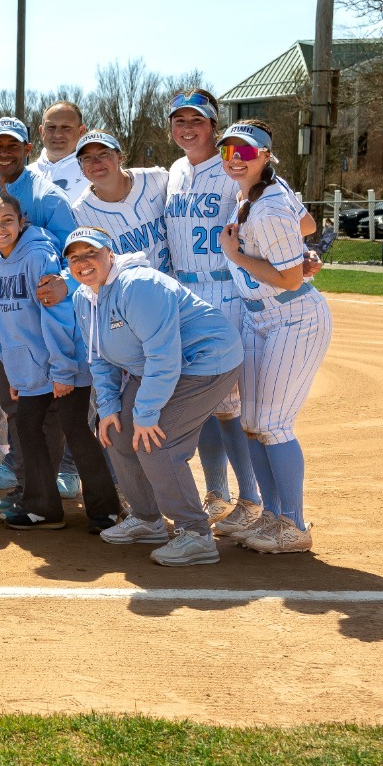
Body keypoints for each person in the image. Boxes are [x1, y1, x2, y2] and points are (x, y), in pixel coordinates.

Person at [66, 228, 244, 567]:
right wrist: (107, 408)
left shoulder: (140, 286)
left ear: (110, 254)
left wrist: (146, 415)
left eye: (91, 253)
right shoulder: (83, 297)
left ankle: (195, 533)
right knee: (117, 431)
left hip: (204, 362)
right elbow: (99, 358)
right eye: (75, 257)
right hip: (155, 370)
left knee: (156, 442)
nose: (84, 262)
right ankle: (148, 519)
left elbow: (165, 356)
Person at [216, 120, 333, 554]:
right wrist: (296, 252)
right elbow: (309, 223)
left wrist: (239, 255)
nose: (234, 159)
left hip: (293, 318)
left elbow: (286, 280)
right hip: (257, 318)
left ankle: (294, 524)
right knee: (250, 423)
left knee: (272, 424)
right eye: (228, 151)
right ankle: (272, 514)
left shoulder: (268, 206)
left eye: (244, 152)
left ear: (265, 155)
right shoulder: (258, 191)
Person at [0, 192, 119, 533]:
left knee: (76, 432)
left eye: (7, 220)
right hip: (31, 371)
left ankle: (107, 511)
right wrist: (15, 374)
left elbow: (56, 315)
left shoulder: (38, 255)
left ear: (22, 221)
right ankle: (43, 508)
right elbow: (10, 327)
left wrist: (63, 370)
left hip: (61, 366)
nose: (0, 228)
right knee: (27, 430)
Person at [163, 88, 265, 532]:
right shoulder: (174, 171)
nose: (188, 128)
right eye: (180, 121)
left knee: (230, 406)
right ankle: (216, 493)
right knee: (199, 401)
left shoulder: (232, 168)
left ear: (213, 126)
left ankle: (251, 498)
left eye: (197, 121)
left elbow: (273, 213)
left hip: (225, 293)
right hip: (186, 295)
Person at [0, 116, 77, 498]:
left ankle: (65, 469)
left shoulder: (47, 198)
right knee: (14, 400)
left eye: (13, 145)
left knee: (52, 403)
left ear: (28, 150)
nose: (5, 152)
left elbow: (73, 255)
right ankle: (20, 465)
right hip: (2, 321)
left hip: (43, 322)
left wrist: (62, 284)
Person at [71, 130, 169, 269]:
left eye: (104, 153)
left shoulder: (157, 178)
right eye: (87, 157)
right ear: (81, 167)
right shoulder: (80, 215)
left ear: (120, 156)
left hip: (179, 284)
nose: (96, 162)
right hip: (130, 290)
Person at [30, 101, 89, 202]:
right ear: (41, 131)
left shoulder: (97, 174)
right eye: (51, 127)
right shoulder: (24, 175)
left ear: (81, 131)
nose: (57, 134)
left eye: (66, 127)